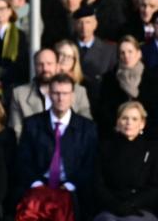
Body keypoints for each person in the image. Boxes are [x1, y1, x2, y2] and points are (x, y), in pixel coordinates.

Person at [16, 74, 99, 219]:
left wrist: (70, 185)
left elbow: (90, 164)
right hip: (38, 187)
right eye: (56, 93)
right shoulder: (32, 124)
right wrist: (37, 184)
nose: (61, 98)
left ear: (72, 96)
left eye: (65, 93)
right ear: (49, 94)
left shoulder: (87, 128)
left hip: (74, 190)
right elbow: (23, 160)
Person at [93, 101, 158, 221]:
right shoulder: (105, 148)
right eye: (124, 118)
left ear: (142, 124)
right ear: (118, 121)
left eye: (134, 119)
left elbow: (154, 188)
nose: (129, 123)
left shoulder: (152, 150)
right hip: (110, 208)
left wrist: (132, 204)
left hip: (140, 209)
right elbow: (98, 184)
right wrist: (115, 205)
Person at [9, 49, 92, 139]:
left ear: (57, 65)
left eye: (49, 64)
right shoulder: (19, 94)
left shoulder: (78, 92)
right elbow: (16, 131)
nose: (45, 68)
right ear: (34, 66)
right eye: (40, 64)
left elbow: (86, 128)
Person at [98, 36, 158, 140]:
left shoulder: (152, 78)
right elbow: (104, 109)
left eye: (130, 51)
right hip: (116, 135)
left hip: (147, 135)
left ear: (138, 54)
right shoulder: (110, 79)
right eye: (122, 52)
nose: (126, 56)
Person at [73, 5, 118, 104]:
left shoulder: (109, 50)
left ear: (95, 24)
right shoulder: (68, 49)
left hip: (101, 101)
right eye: (80, 22)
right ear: (75, 25)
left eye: (88, 22)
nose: (84, 27)